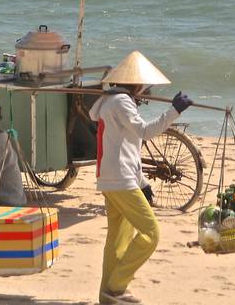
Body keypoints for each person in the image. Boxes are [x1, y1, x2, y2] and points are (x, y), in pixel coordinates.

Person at [89, 51, 193, 304]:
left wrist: (143, 182)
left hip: (112, 177)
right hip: (119, 180)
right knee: (151, 233)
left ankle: (108, 295)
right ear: (135, 84)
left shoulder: (109, 101)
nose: (146, 89)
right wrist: (174, 111)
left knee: (118, 239)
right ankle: (116, 285)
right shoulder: (121, 102)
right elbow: (145, 132)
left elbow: (130, 148)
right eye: (144, 85)